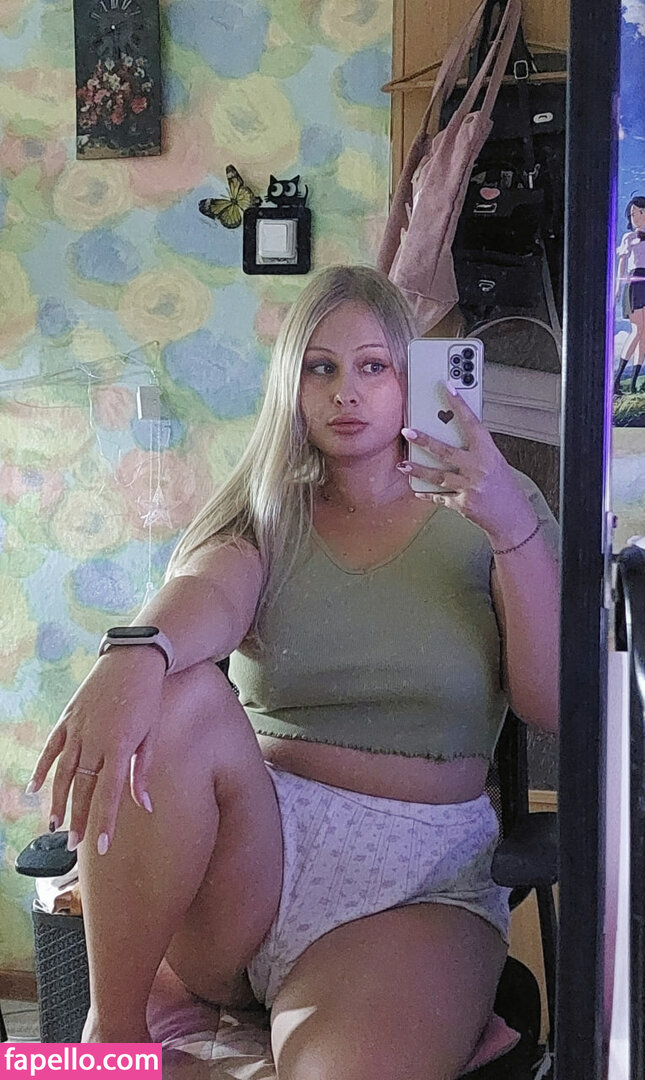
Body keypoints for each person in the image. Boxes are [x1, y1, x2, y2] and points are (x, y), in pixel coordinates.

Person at [26, 266, 559, 1080]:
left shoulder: (497, 504)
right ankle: (112, 1038)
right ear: (291, 386)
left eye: (372, 366)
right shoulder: (266, 509)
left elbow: (549, 703)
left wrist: (510, 530)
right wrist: (135, 651)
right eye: (320, 367)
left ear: (412, 374)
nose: (345, 391)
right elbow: (208, 590)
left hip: (414, 883)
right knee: (173, 684)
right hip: (250, 857)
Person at [614, 196, 645, 395]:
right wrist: (618, 288)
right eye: (633, 214)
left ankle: (633, 384)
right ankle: (617, 379)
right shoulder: (629, 238)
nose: (636, 217)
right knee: (637, 330)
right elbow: (622, 264)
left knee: (644, 334)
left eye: (639, 212)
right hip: (635, 283)